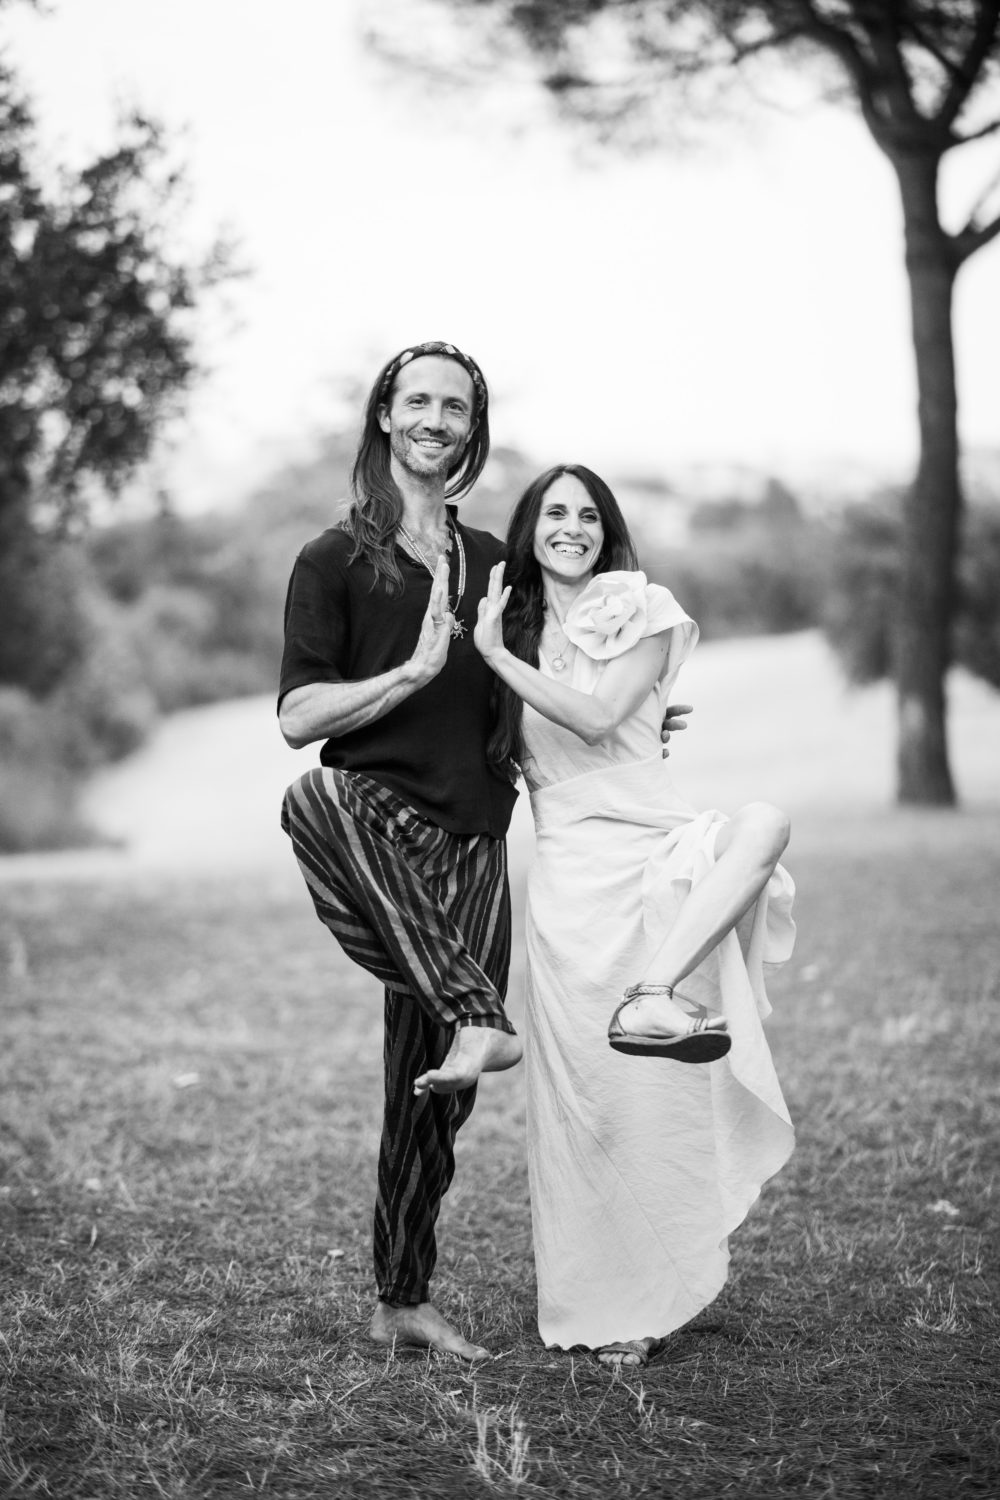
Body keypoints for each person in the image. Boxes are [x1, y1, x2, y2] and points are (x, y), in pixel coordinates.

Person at [278, 345, 687, 1362]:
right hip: (375, 826)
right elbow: (297, 717)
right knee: (313, 793)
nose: (434, 419)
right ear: (384, 415)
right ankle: (475, 1009)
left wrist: (638, 716)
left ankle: (402, 1300)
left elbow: (558, 676)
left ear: (473, 426)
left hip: (474, 843)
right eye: (416, 400)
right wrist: (408, 673)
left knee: (428, 1092)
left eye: (454, 407)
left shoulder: (496, 563)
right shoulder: (332, 559)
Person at [473, 463, 796, 1369]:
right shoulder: (511, 629)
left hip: (655, 842)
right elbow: (501, 744)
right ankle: (610, 1300)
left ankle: (654, 992)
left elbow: (599, 715)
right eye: (553, 513)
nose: (571, 528)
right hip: (571, 873)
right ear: (529, 530)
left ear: (608, 530)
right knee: (592, 1099)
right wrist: (494, 656)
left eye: (588, 514)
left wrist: (499, 659)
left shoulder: (645, 608)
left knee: (763, 825)